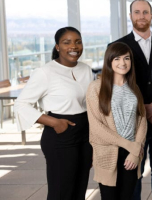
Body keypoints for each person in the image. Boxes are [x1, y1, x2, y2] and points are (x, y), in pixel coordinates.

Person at [14, 26, 93, 200]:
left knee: (79, 191)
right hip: (61, 135)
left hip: (85, 134)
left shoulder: (86, 69)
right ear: (57, 46)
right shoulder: (45, 72)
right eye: (67, 42)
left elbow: (90, 102)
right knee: (61, 192)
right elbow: (21, 104)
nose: (74, 46)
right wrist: (55, 122)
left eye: (78, 42)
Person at [110, 0, 152, 199]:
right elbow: (114, 85)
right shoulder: (118, 46)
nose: (141, 16)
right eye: (137, 12)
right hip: (131, 123)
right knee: (133, 174)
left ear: (151, 16)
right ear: (130, 15)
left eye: (145, 12)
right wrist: (144, 110)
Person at [86, 42, 147, 199]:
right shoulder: (96, 87)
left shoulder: (134, 88)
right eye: (117, 58)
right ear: (109, 61)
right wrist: (130, 145)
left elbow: (141, 120)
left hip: (131, 152)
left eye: (127, 58)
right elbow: (96, 126)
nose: (123, 63)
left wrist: (136, 150)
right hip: (108, 151)